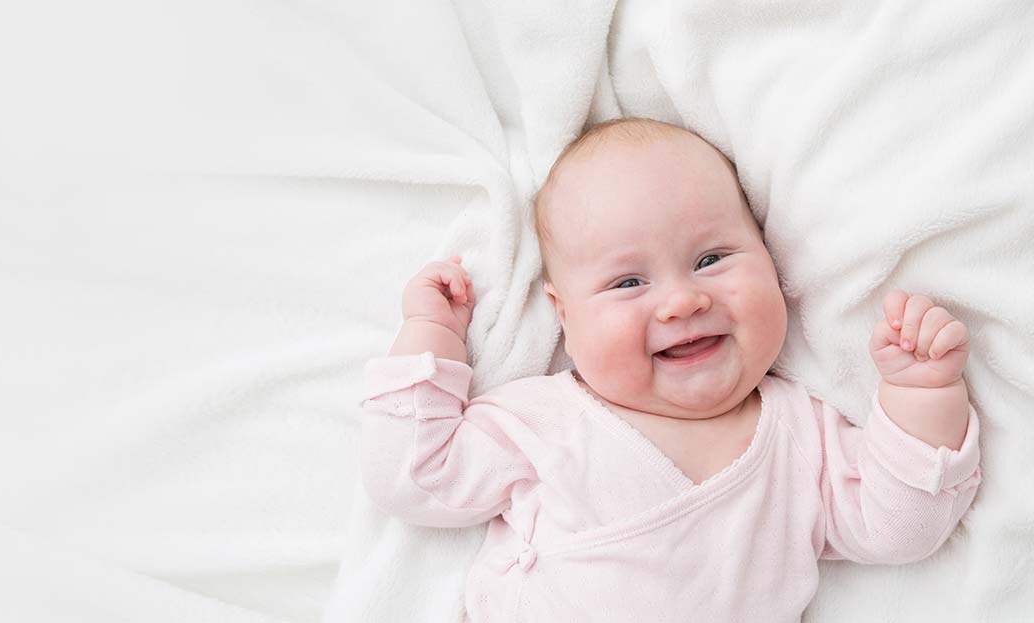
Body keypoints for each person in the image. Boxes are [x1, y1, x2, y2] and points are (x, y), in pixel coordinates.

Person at [359, 118, 981, 621]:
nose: (684, 301)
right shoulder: (542, 420)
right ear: (565, 319)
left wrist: (920, 394)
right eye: (629, 282)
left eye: (712, 258)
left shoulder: (802, 435)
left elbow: (899, 528)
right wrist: (435, 333)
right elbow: (412, 475)